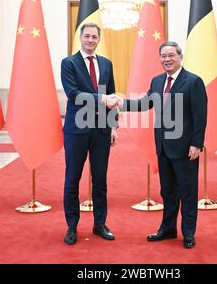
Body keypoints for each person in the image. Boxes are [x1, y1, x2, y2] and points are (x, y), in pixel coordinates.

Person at [114, 41, 207, 248]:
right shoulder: (157, 81)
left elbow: (200, 116)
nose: (167, 59)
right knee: (168, 192)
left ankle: (188, 233)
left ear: (180, 57)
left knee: (188, 192)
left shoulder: (193, 81)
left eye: (171, 55)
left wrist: (196, 144)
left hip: (185, 148)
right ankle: (168, 229)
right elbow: (145, 103)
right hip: (163, 147)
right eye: (163, 56)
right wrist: (121, 102)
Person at [61, 22, 119, 245]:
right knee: (72, 179)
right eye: (87, 36)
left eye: (94, 37)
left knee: (100, 180)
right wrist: (100, 99)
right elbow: (73, 94)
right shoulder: (69, 63)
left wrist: (113, 126)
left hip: (101, 130)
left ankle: (99, 224)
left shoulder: (106, 64)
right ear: (80, 37)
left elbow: (112, 95)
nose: (90, 40)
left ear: (99, 39)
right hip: (76, 130)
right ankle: (72, 227)